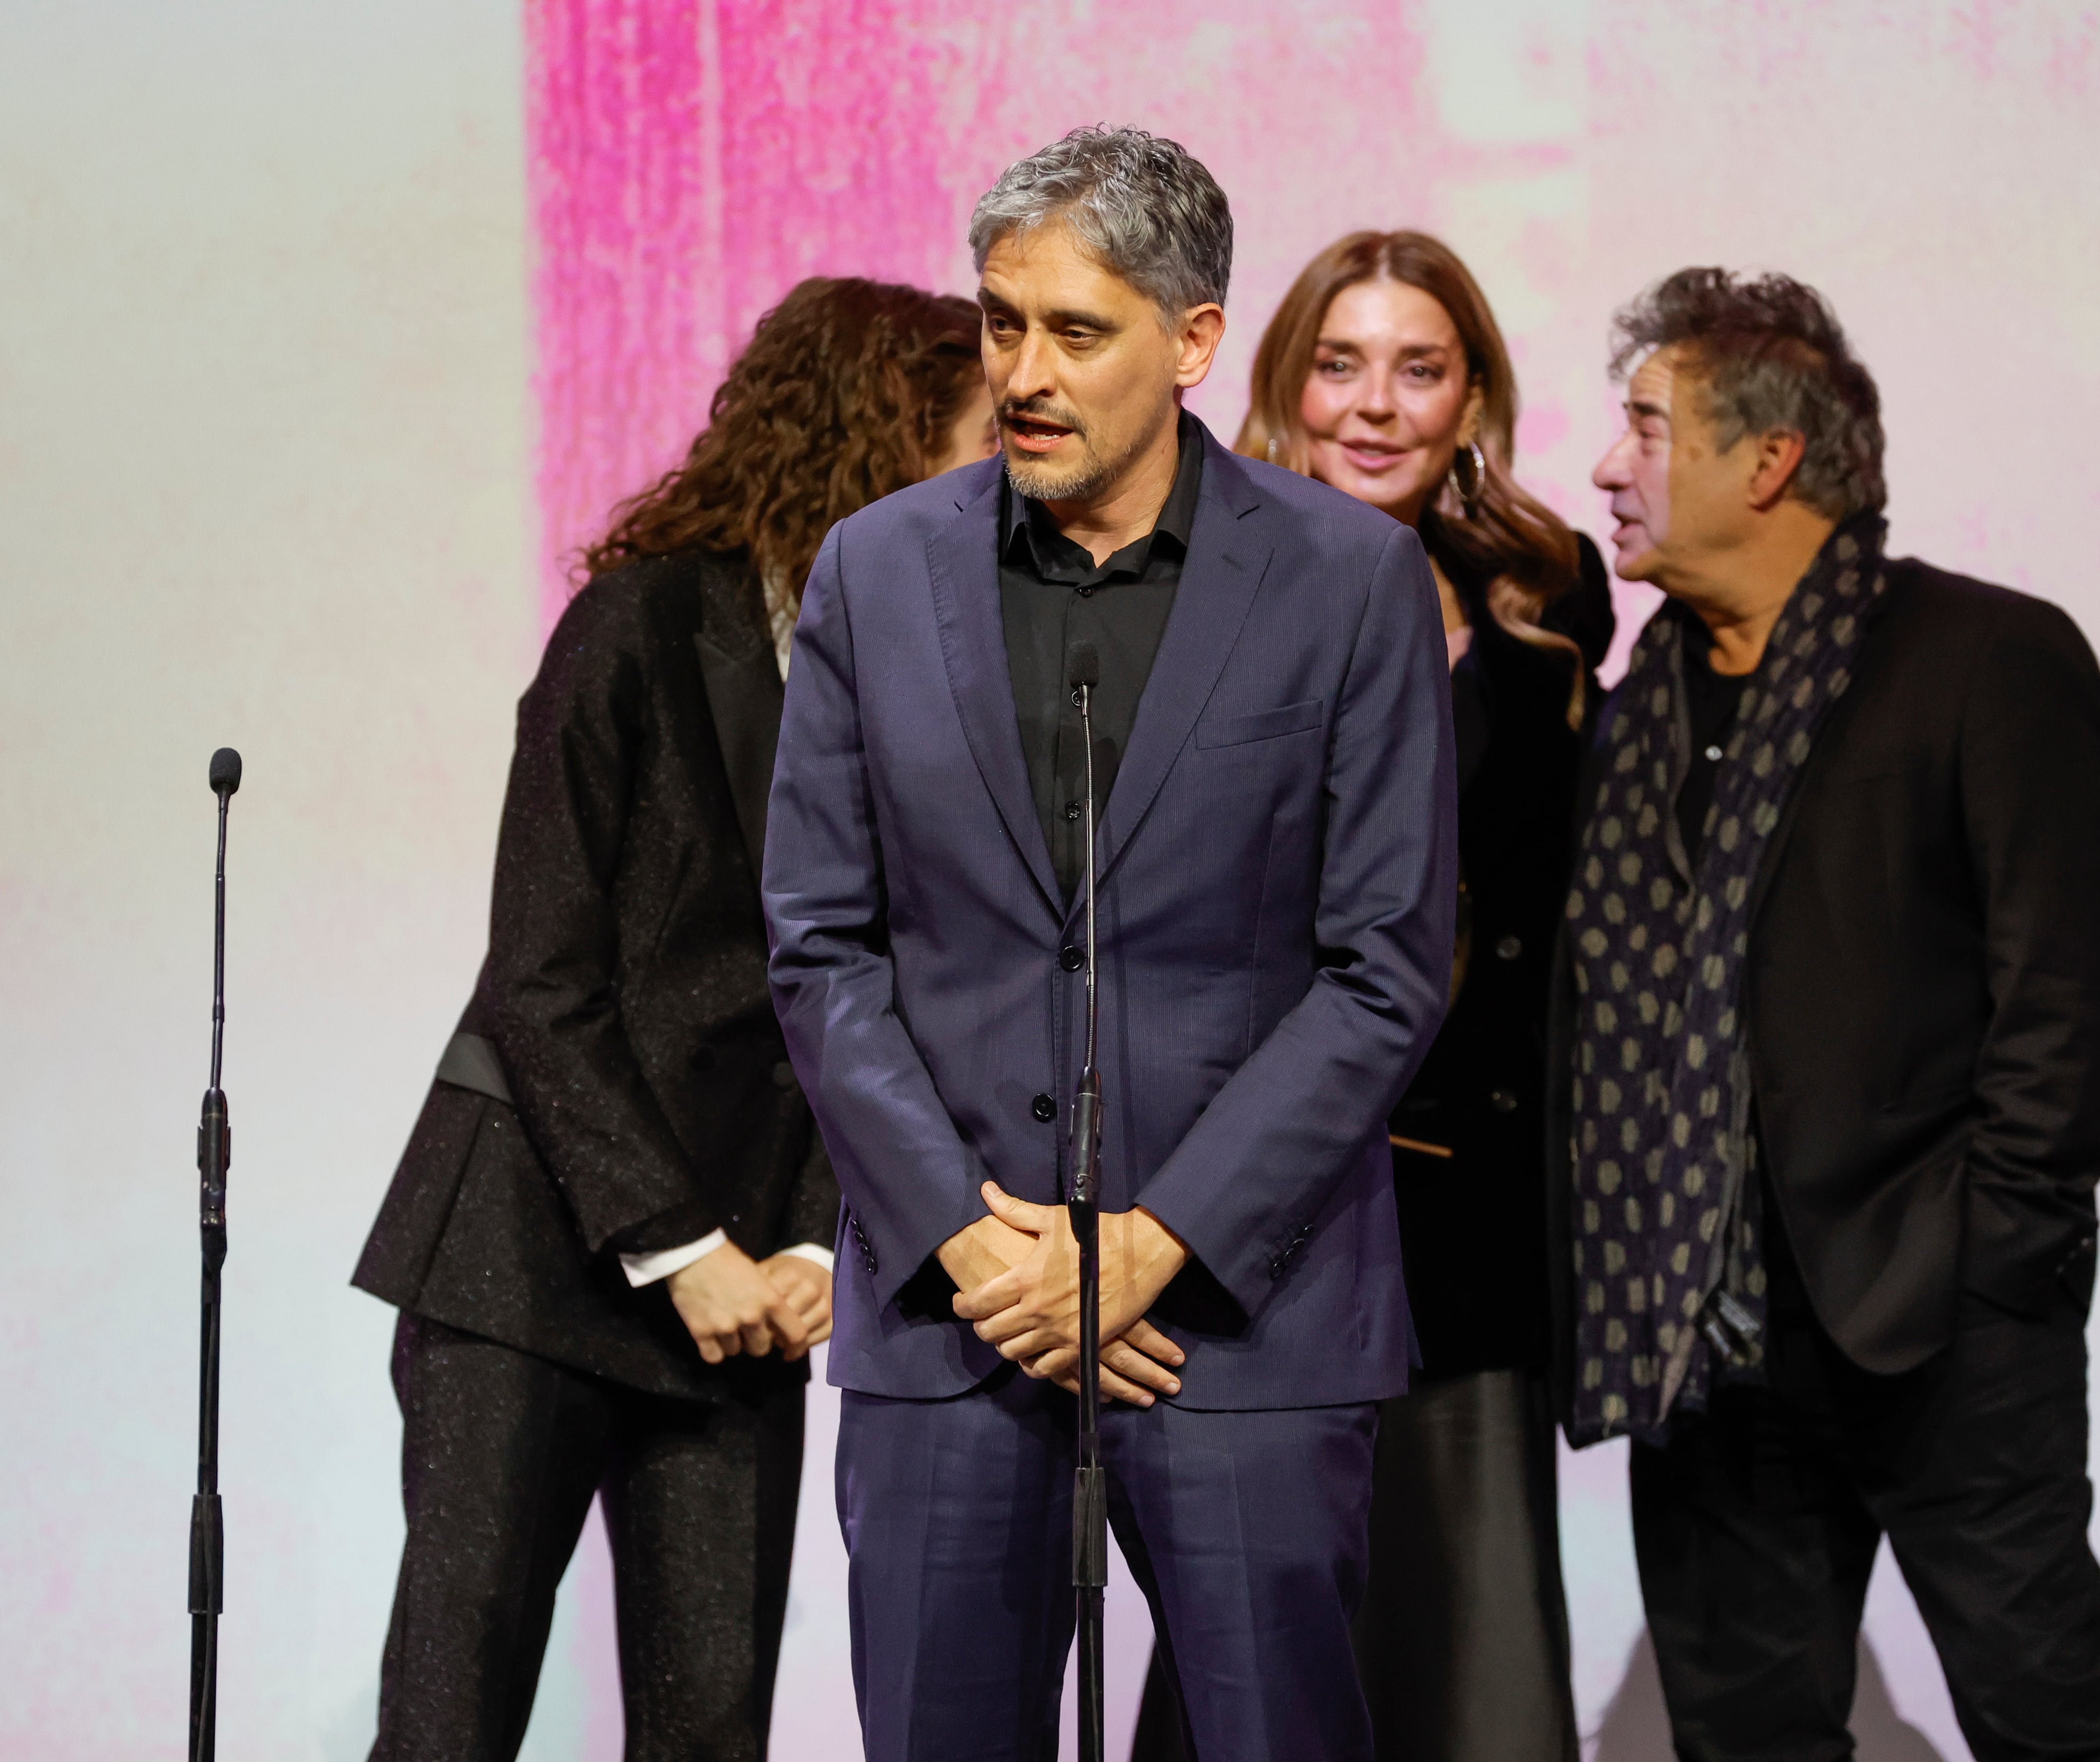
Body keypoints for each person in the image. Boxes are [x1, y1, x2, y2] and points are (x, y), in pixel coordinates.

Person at [762, 128, 1454, 1762]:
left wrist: (1159, 1241)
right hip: (956, 1318)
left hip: (1241, 1317)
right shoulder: (878, 571)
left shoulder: (1353, 583)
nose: (1026, 371)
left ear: (1194, 342)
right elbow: (819, 948)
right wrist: (971, 1243)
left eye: (1076, 332)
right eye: (1004, 323)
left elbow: (1385, 966)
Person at [353, 276, 996, 1762]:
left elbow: (890, 1000)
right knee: (452, 1713)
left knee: (712, 1728)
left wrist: (820, 1240)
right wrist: (679, 1245)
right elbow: (540, 978)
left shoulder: (929, 689)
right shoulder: (641, 627)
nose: (994, 500)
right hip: (529, 1257)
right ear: (876, 444)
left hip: (751, 1288)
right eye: (971, 452)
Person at [1557, 268, 2100, 1762]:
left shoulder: (1984, 659)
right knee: (1747, 1742)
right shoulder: (1639, 708)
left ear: (1767, 462)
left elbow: (2057, 1007)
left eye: (1647, 429)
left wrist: (1999, 1264)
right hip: (1696, 1340)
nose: (1604, 468)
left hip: (1936, 1320)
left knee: (2046, 1718)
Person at [1133, 230, 1609, 1762]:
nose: (1376, 406)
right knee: (1256, 1655)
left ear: (1474, 396)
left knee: (1467, 1656)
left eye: (1420, 369)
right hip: (1237, 1205)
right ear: (1282, 381)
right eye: (1341, 364)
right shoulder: (1183, 583)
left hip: (1467, 1230)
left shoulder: (1548, 614)